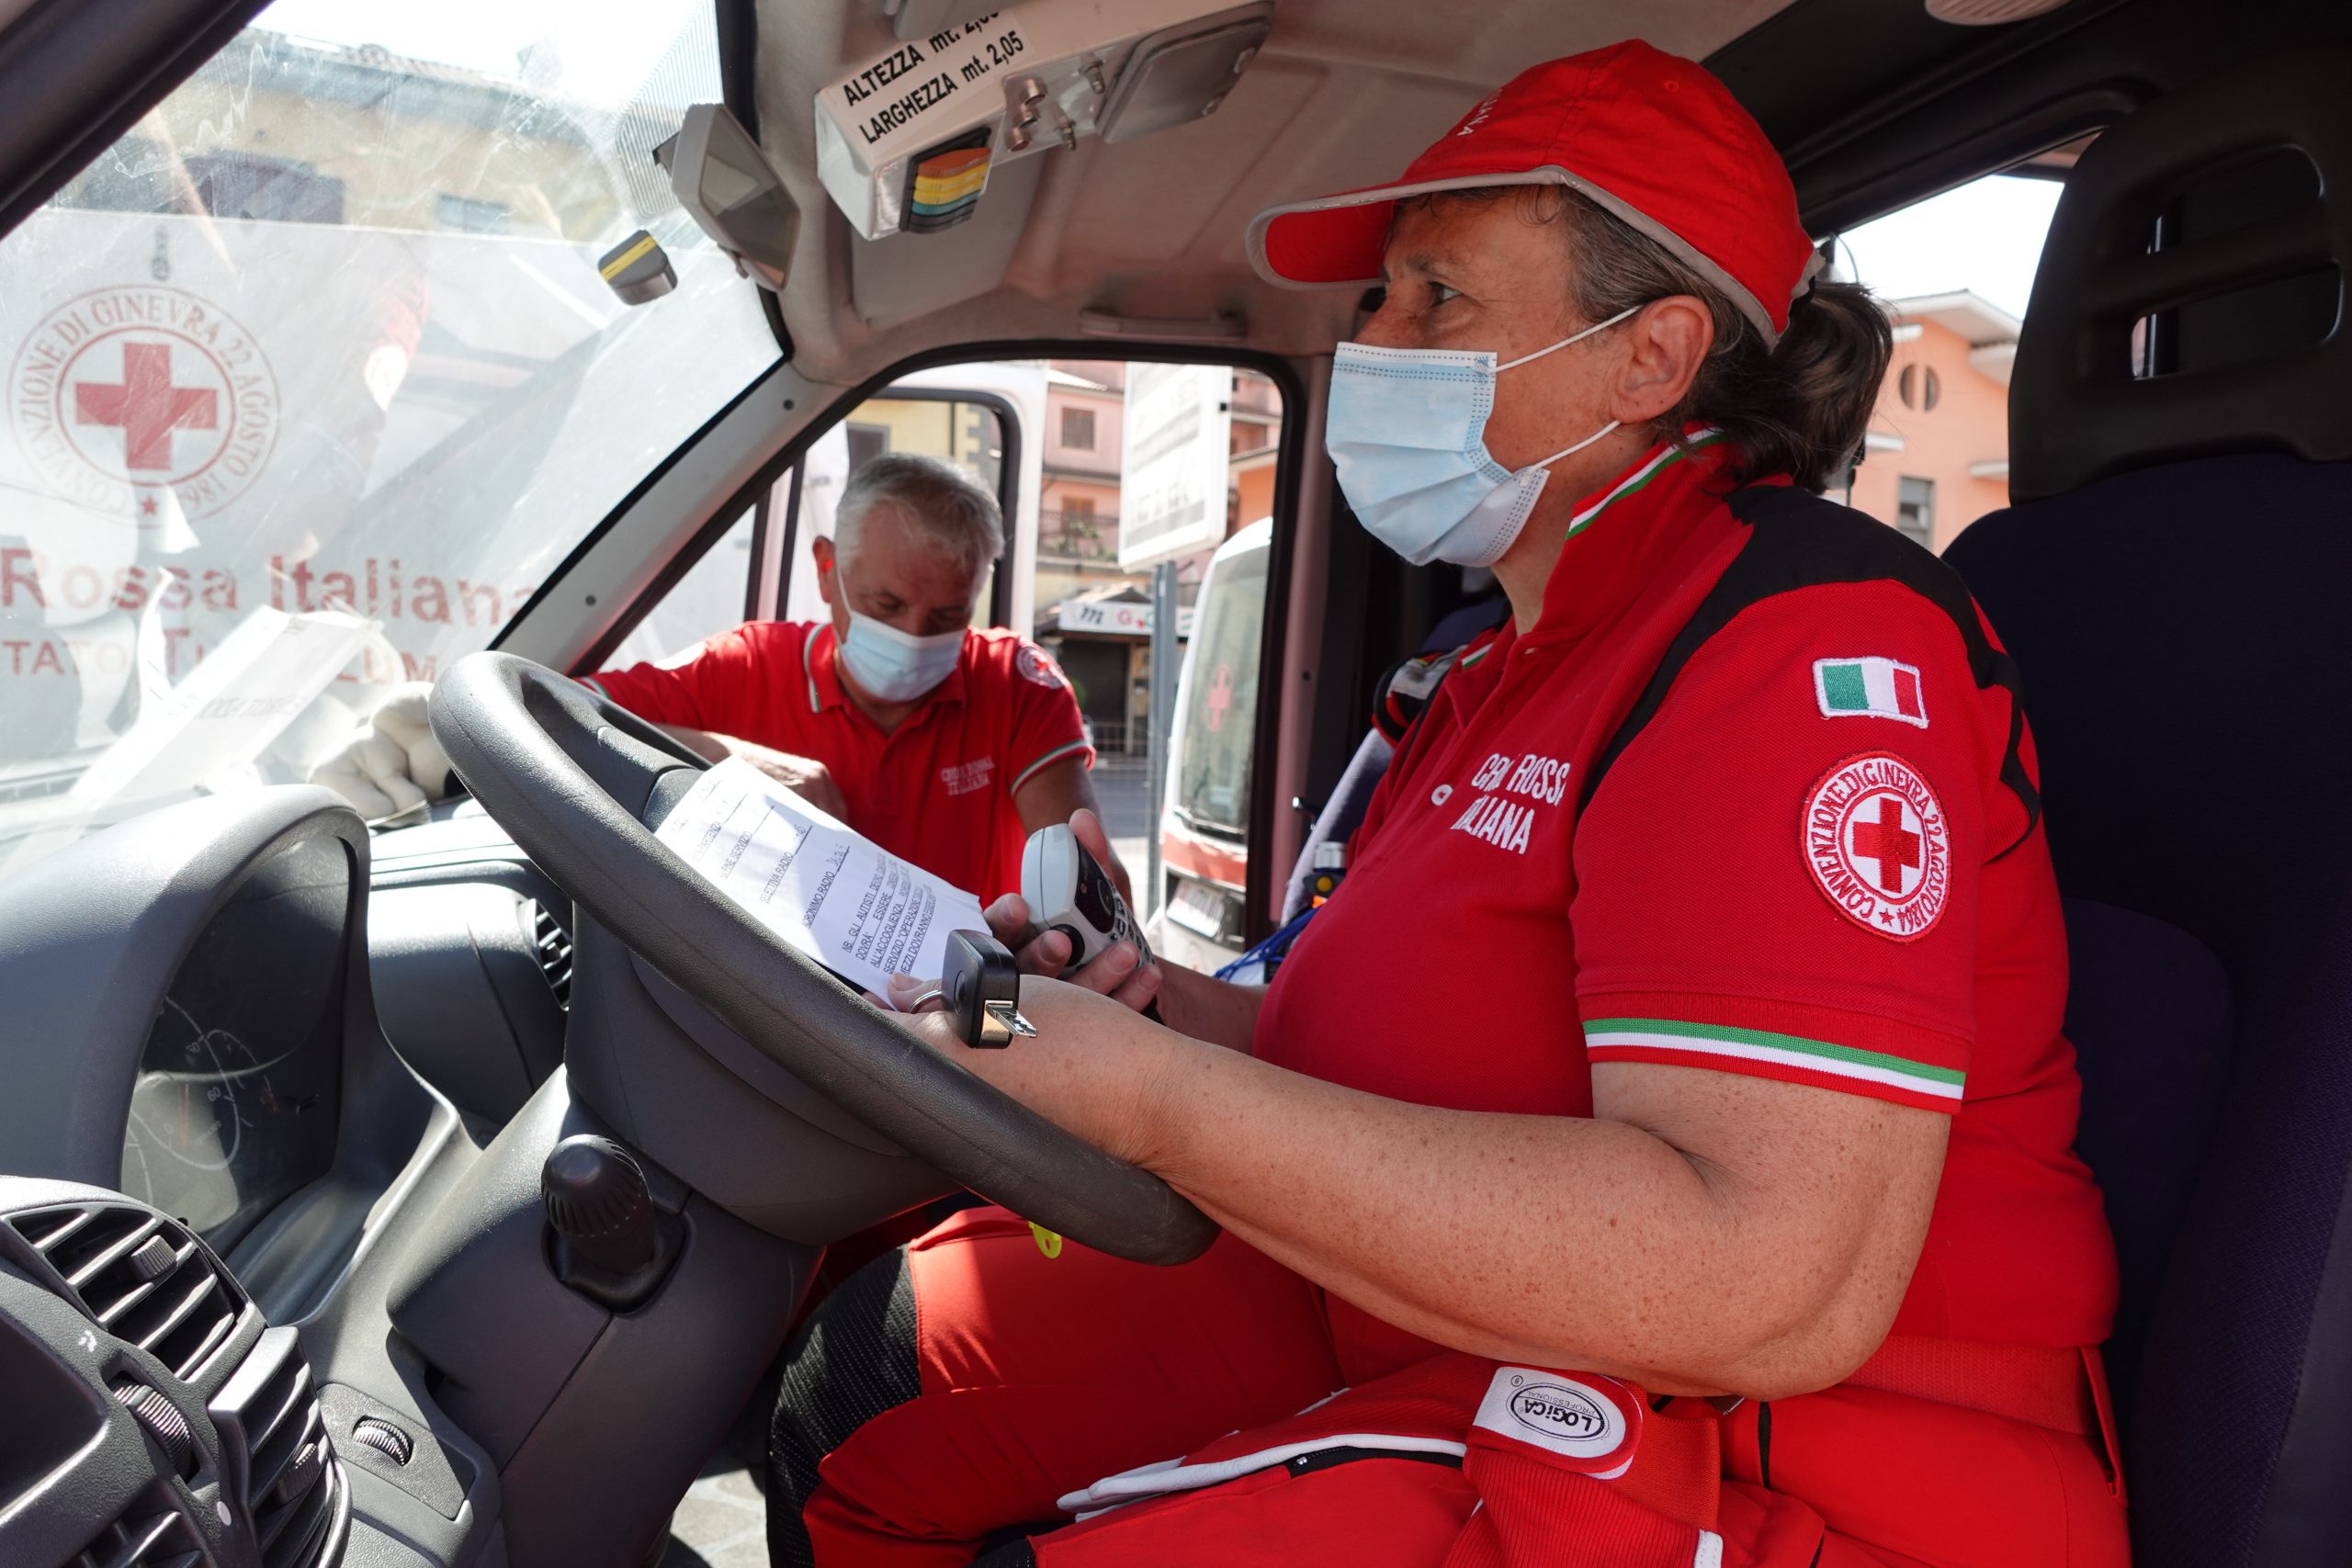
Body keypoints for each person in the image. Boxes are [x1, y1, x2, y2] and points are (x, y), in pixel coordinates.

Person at [767, 40, 2127, 1568]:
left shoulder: (1801, 637)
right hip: (1472, 1325)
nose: (1378, 342)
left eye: (1440, 300)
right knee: (857, 1395)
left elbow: (1764, 1274)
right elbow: (1379, 1042)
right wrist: (1146, 1008)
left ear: (1651, 359)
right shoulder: (1496, 666)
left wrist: (1148, 1098)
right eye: (1381, 300)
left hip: (1781, 1454)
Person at [314, 452, 1114, 905]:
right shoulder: (743, 667)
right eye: (886, 603)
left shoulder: (1016, 682)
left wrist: (1051, 962)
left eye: (945, 617)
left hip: (974, 1018)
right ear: (827, 570)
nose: (912, 636)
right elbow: (552, 713)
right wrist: (740, 764)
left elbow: (1078, 873)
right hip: (790, 1018)